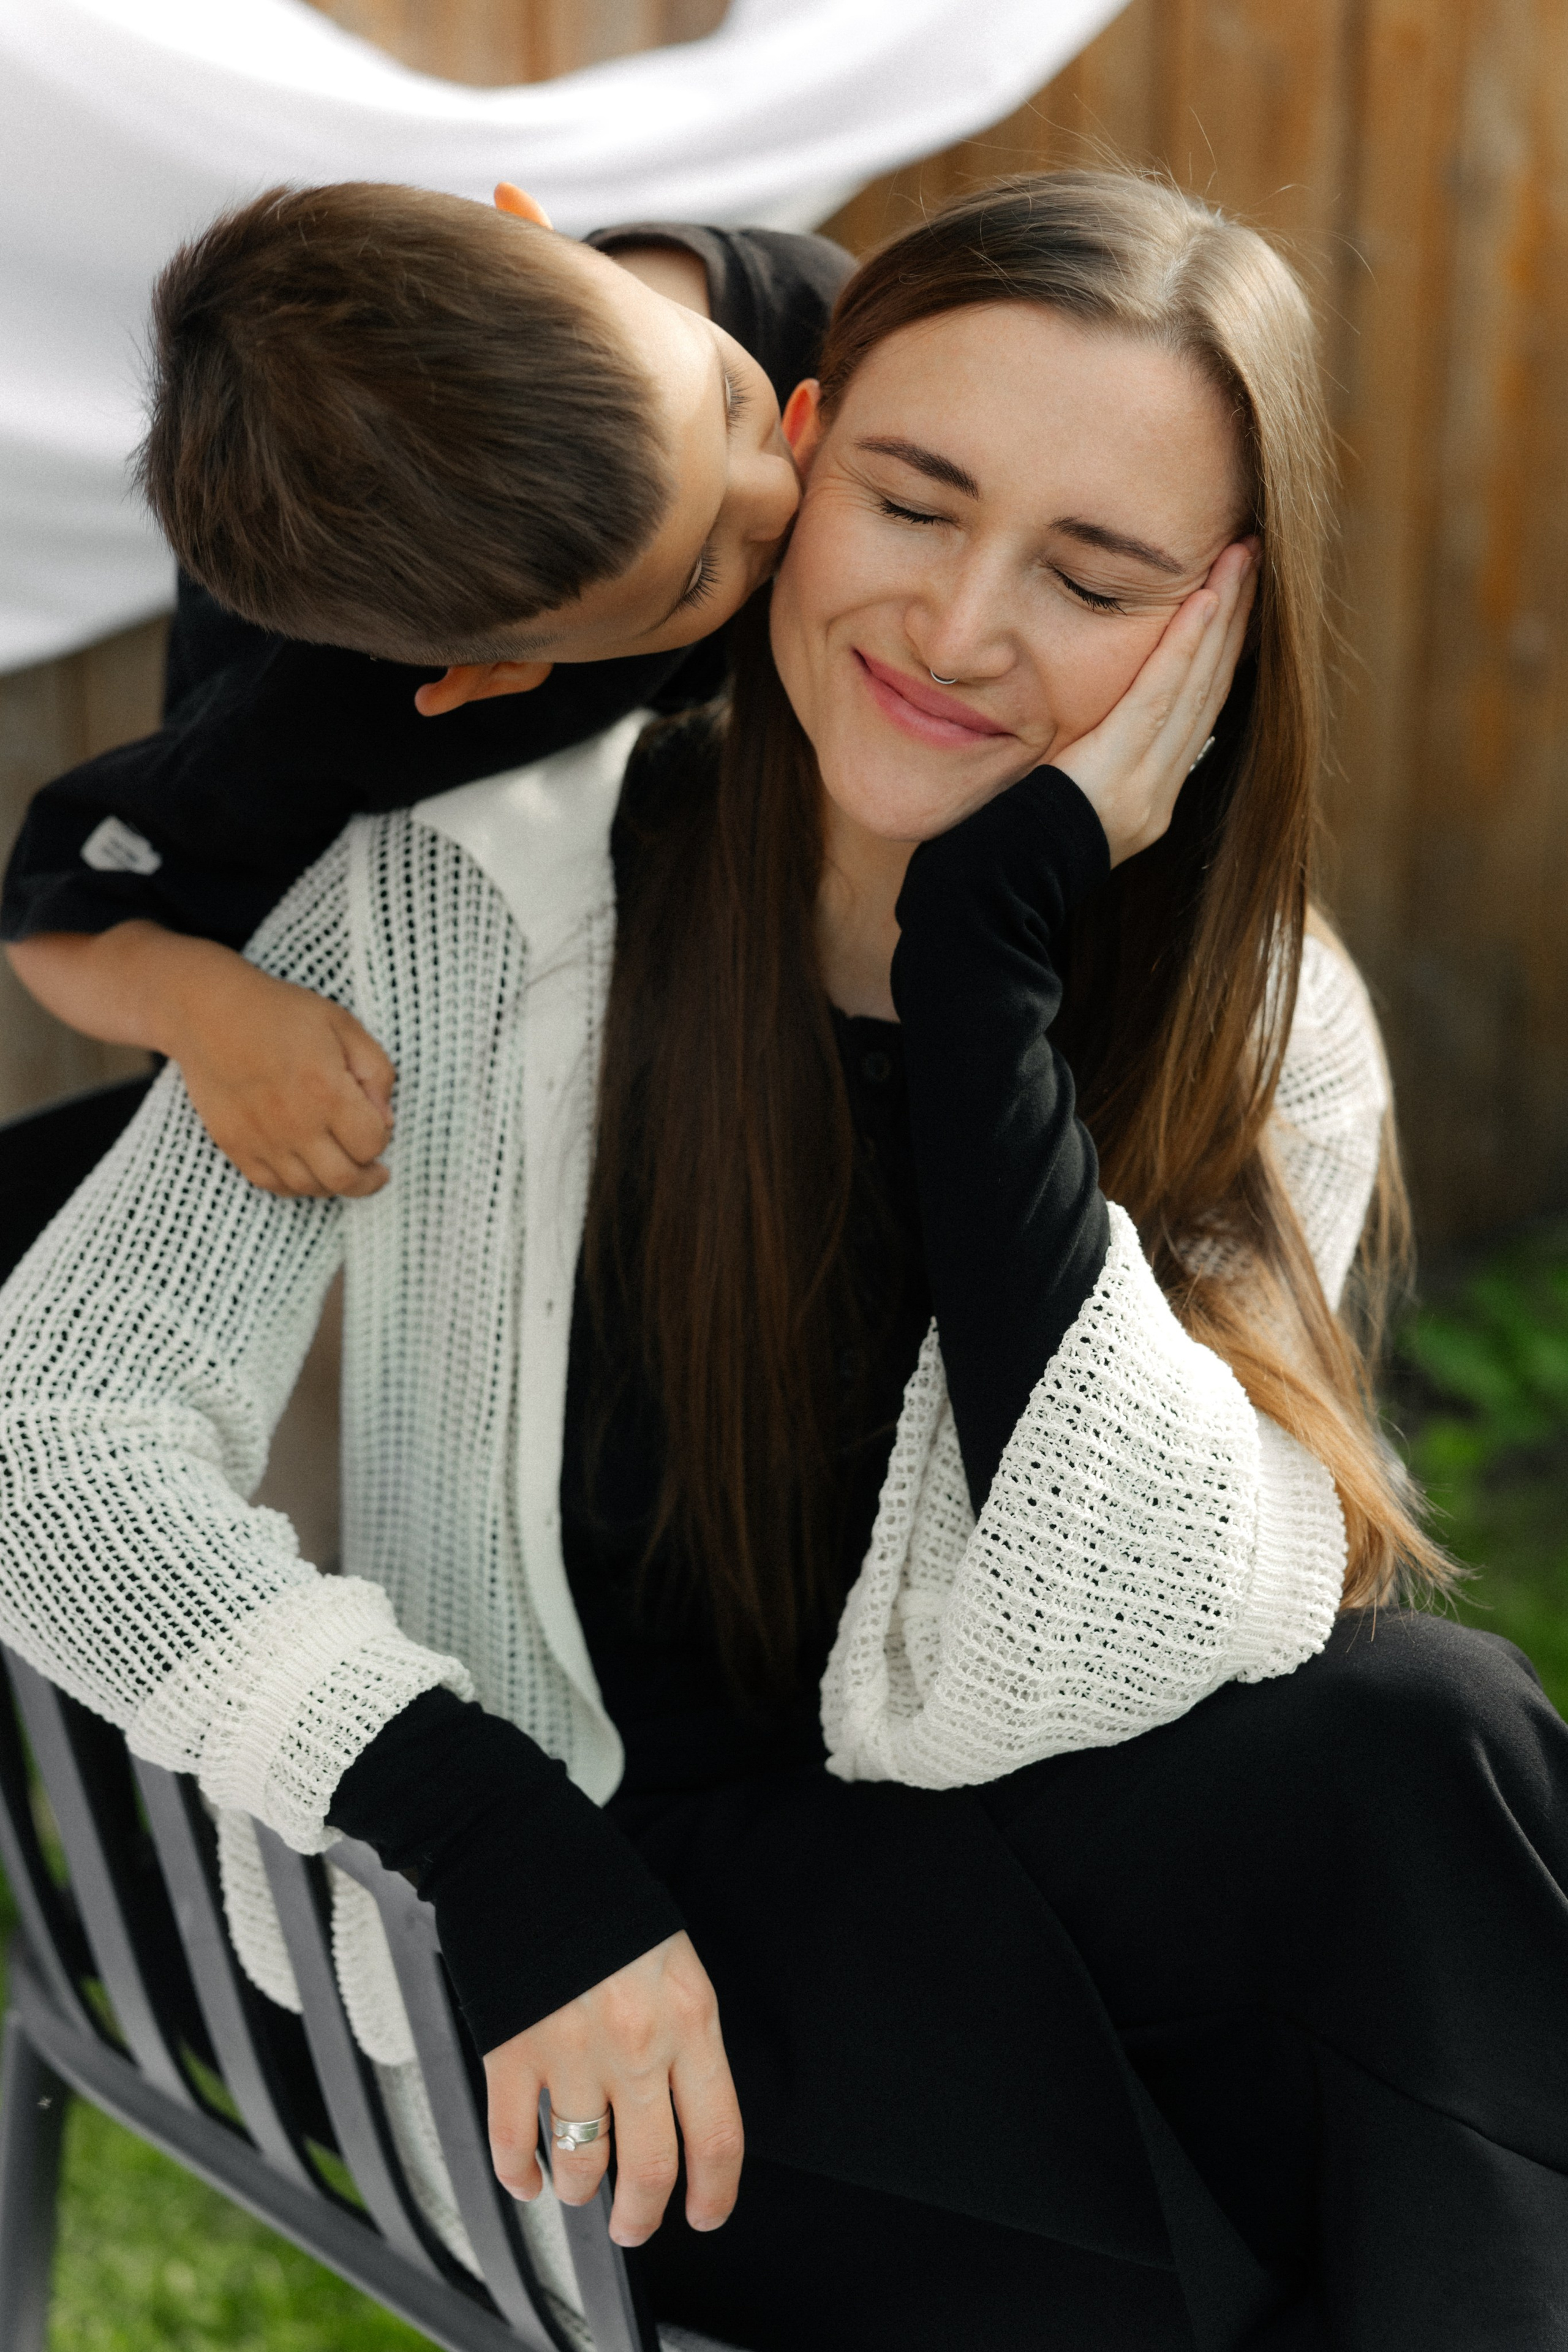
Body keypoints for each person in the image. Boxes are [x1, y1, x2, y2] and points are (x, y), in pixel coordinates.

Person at [4, 170, 1567, 2352]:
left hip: (1005, 1881)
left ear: (1214, 632)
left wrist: (980, 979)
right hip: (598, 1958)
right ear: (811, 453)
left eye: (1093, 574)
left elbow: (1145, 1643)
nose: (958, 630)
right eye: (912, 504)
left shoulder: (1255, 1012)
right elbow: (47, 1432)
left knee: (1433, 1738)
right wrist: (498, 1845)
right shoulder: (453, 904)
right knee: (1353, 2207)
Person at [1, 181, 851, 1197]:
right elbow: (57, 909)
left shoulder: (804, 314)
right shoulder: (303, 725)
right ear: (498, 675)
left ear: (526, 228)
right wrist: (210, 1014)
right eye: (702, 572)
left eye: (728, 399)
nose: (783, 492)